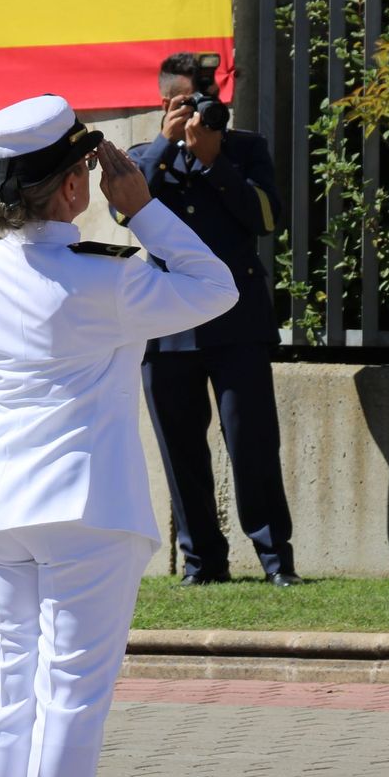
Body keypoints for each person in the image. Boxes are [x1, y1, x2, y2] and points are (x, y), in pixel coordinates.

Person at [0, 95, 238, 777]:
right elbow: (216, 287)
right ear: (76, 186)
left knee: (6, 699)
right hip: (84, 510)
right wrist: (142, 206)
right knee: (68, 702)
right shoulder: (109, 277)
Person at [125, 53, 299, 587]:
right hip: (167, 325)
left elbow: (266, 218)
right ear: (164, 103)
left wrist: (215, 161)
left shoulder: (245, 149)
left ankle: (276, 560)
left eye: (208, 98)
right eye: (187, 100)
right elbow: (124, 211)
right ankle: (202, 562)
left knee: (252, 442)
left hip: (238, 320)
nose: (201, 109)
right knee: (180, 449)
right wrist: (165, 147)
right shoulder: (142, 159)